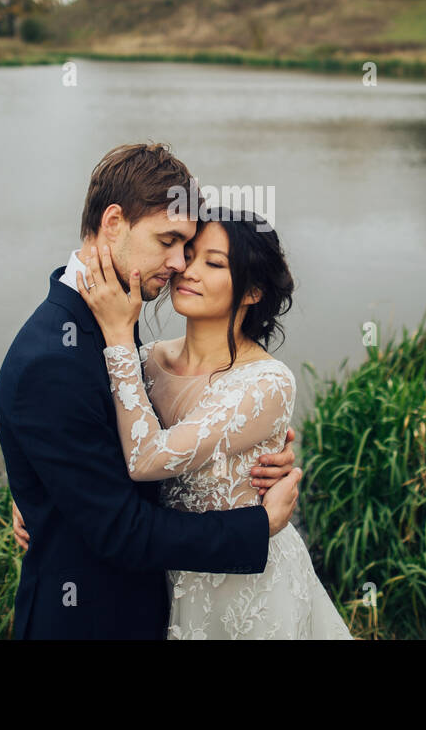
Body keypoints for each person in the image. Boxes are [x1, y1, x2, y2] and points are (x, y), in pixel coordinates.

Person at [0, 142, 301, 639]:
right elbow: (121, 530)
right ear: (113, 223)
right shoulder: (55, 358)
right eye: (170, 241)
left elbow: (128, 434)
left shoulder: (115, 317)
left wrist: (249, 456)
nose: (180, 263)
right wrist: (256, 525)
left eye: (192, 248)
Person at [74, 207, 354, 639]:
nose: (188, 270)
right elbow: (82, 435)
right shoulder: (146, 363)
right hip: (164, 580)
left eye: (215, 263)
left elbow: (147, 458)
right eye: (189, 253)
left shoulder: (265, 382)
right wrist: (35, 491)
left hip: (246, 588)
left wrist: (116, 335)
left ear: (253, 291)